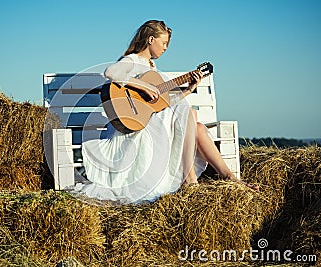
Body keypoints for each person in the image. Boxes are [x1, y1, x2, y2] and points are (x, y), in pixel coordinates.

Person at [73, 20, 258, 204]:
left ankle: (229, 177)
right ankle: (189, 179)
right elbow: (111, 72)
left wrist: (188, 90)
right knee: (190, 114)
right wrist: (143, 86)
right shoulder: (132, 60)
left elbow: (162, 104)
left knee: (198, 127)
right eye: (164, 43)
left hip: (154, 122)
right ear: (151, 39)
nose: (166, 48)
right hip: (136, 127)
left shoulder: (153, 69)